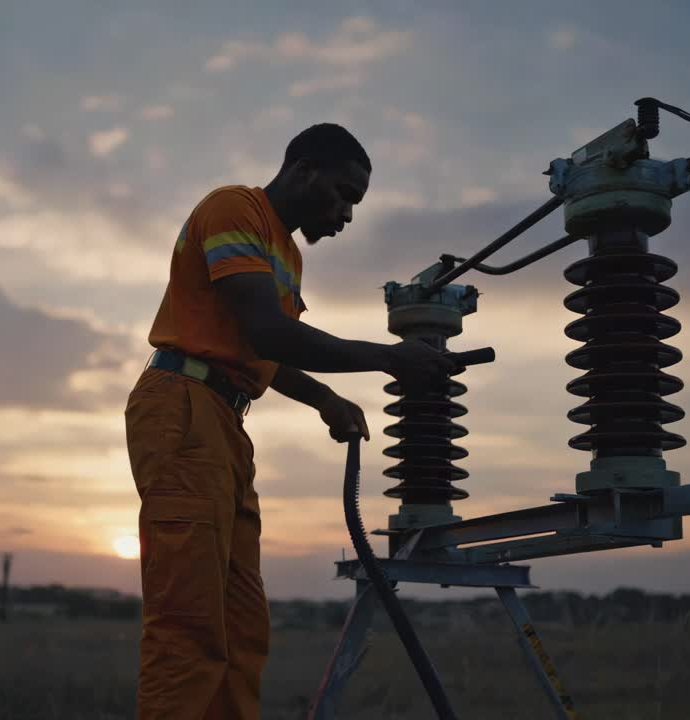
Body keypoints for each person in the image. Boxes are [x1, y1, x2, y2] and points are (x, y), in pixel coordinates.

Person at [124, 123, 453, 718]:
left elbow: (264, 353)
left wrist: (325, 397)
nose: (348, 214)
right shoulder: (234, 209)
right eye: (344, 193)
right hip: (182, 408)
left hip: (224, 421)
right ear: (304, 170)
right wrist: (387, 359)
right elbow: (269, 332)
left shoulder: (286, 253)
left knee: (241, 625)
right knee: (190, 624)